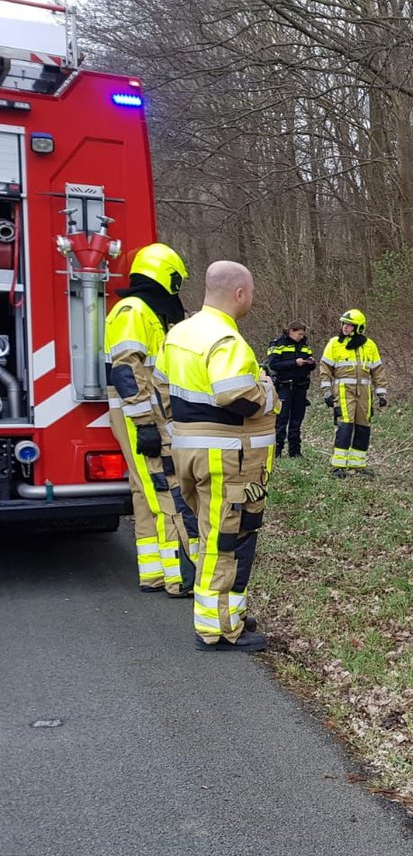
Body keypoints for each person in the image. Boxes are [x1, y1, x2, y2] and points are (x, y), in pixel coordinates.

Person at [155, 261, 278, 652]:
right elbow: (234, 395)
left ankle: (226, 613)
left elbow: (160, 388)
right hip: (227, 457)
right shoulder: (226, 339)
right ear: (239, 293)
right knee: (229, 538)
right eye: (252, 291)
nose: (253, 298)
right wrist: (268, 394)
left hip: (188, 449)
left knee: (209, 534)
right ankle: (220, 629)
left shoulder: (179, 333)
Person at [103, 242, 199, 597]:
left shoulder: (143, 311)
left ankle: (154, 573)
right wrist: (146, 424)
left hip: (141, 412)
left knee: (145, 494)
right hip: (143, 414)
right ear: (163, 274)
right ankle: (179, 578)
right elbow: (127, 370)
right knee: (166, 491)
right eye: (176, 280)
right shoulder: (134, 310)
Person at [317, 309, 387, 476]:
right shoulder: (335, 343)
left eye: (350, 325)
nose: (345, 327)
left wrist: (381, 393)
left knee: (363, 427)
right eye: (344, 324)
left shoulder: (369, 345)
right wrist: (326, 391)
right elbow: (325, 368)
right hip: (343, 391)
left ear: (359, 327)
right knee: (345, 426)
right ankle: (338, 466)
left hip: (364, 392)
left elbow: (377, 370)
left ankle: (358, 466)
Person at [266, 321, 316, 458]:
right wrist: (295, 363)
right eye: (299, 334)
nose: (301, 336)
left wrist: (310, 362)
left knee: (296, 421)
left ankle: (295, 452)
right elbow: (273, 364)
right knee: (281, 421)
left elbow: (312, 365)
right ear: (291, 331)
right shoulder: (278, 344)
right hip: (284, 386)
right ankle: (277, 451)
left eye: (303, 334)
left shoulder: (304, 345)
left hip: (300, 387)